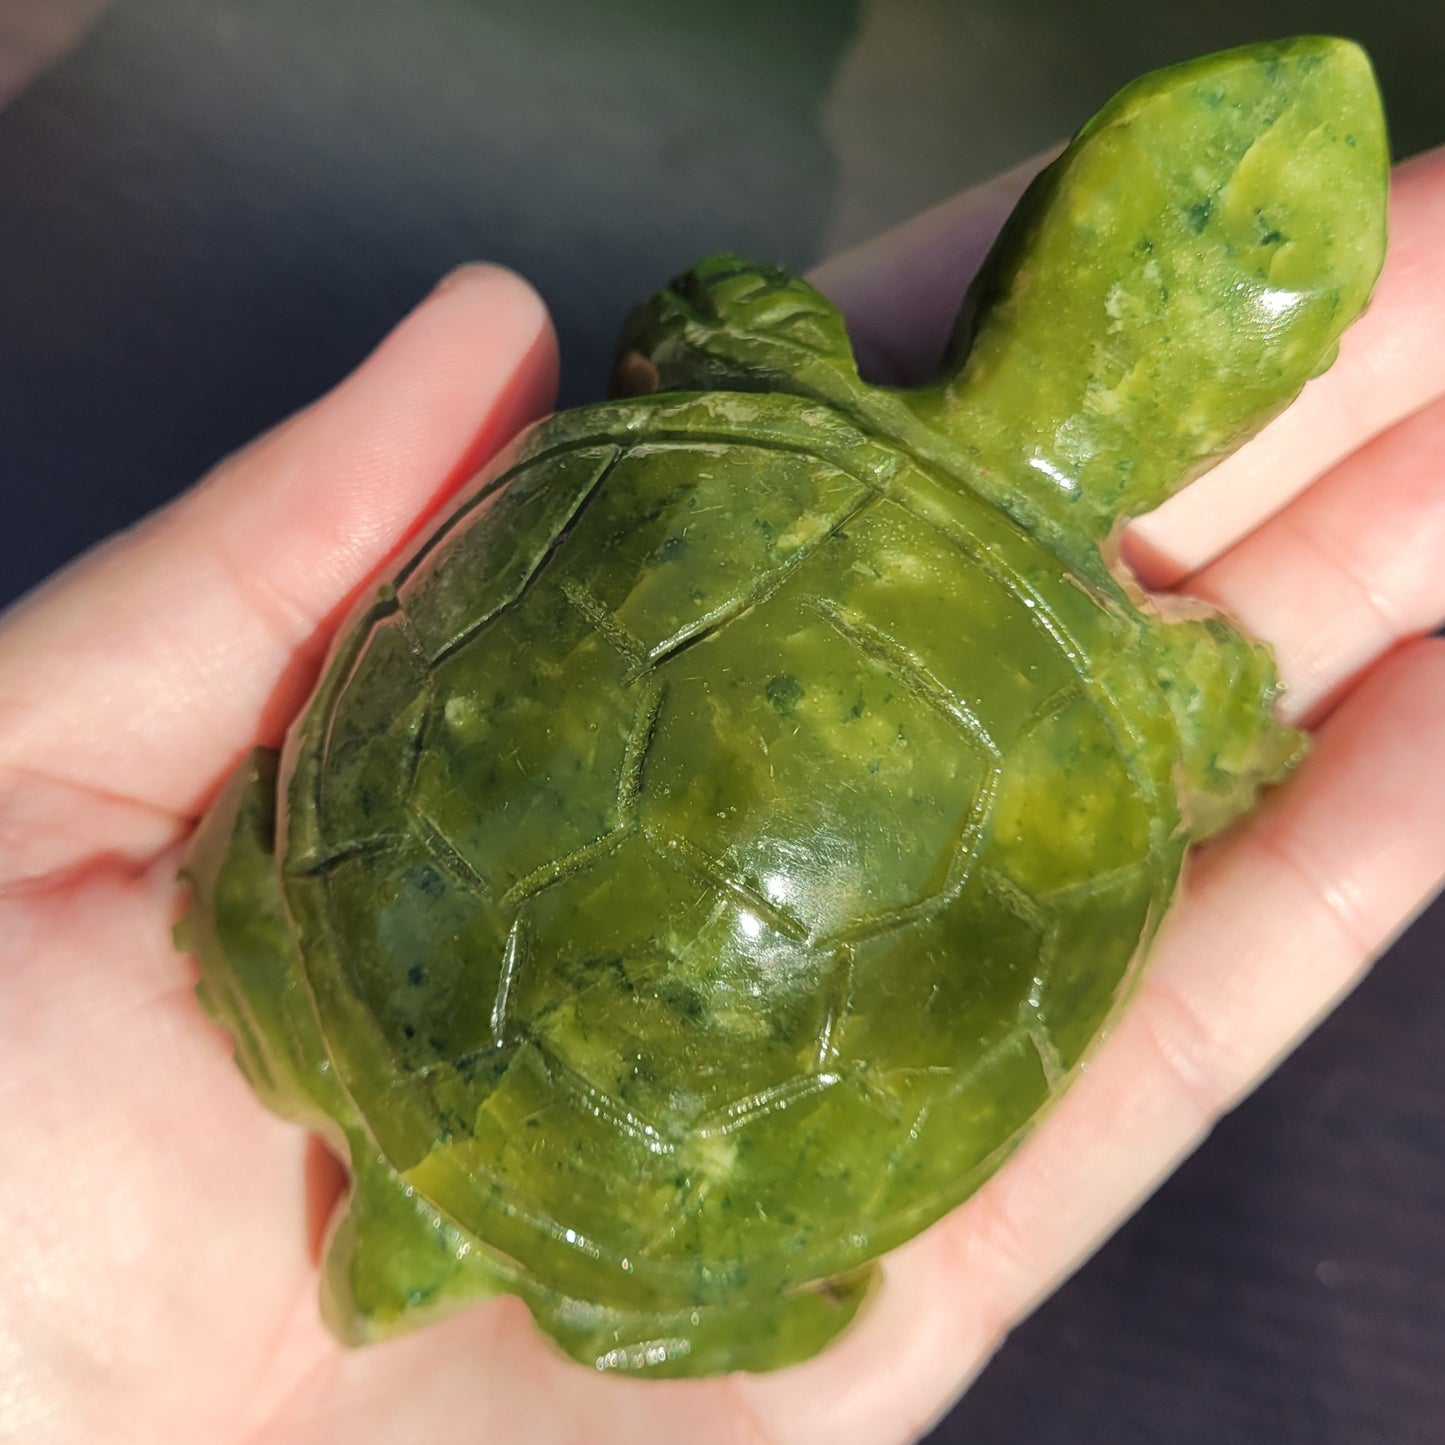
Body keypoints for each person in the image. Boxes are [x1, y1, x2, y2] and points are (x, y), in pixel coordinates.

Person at [1, 144, 1441, 1445]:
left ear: (1036, 240)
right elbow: (1242, 752)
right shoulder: (1160, 688)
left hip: (482, 931)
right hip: (639, 1191)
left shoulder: (777, 381)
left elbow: (692, 313)